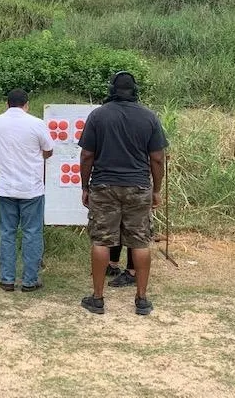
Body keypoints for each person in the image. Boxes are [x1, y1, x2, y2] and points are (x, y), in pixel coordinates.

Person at [79, 71, 168, 316]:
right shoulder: (149, 117)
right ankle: (141, 299)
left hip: (104, 186)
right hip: (138, 186)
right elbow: (158, 159)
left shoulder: (98, 116)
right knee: (140, 241)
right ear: (135, 90)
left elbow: (87, 155)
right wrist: (156, 190)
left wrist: (84, 186)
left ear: (112, 89)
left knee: (101, 240)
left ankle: (97, 298)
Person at [0, 89, 54, 292]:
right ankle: (29, 280)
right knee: (32, 232)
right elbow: (49, 149)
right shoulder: (35, 123)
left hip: (6, 187)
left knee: (7, 232)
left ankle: (7, 279)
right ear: (27, 104)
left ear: (7, 104)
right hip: (31, 188)